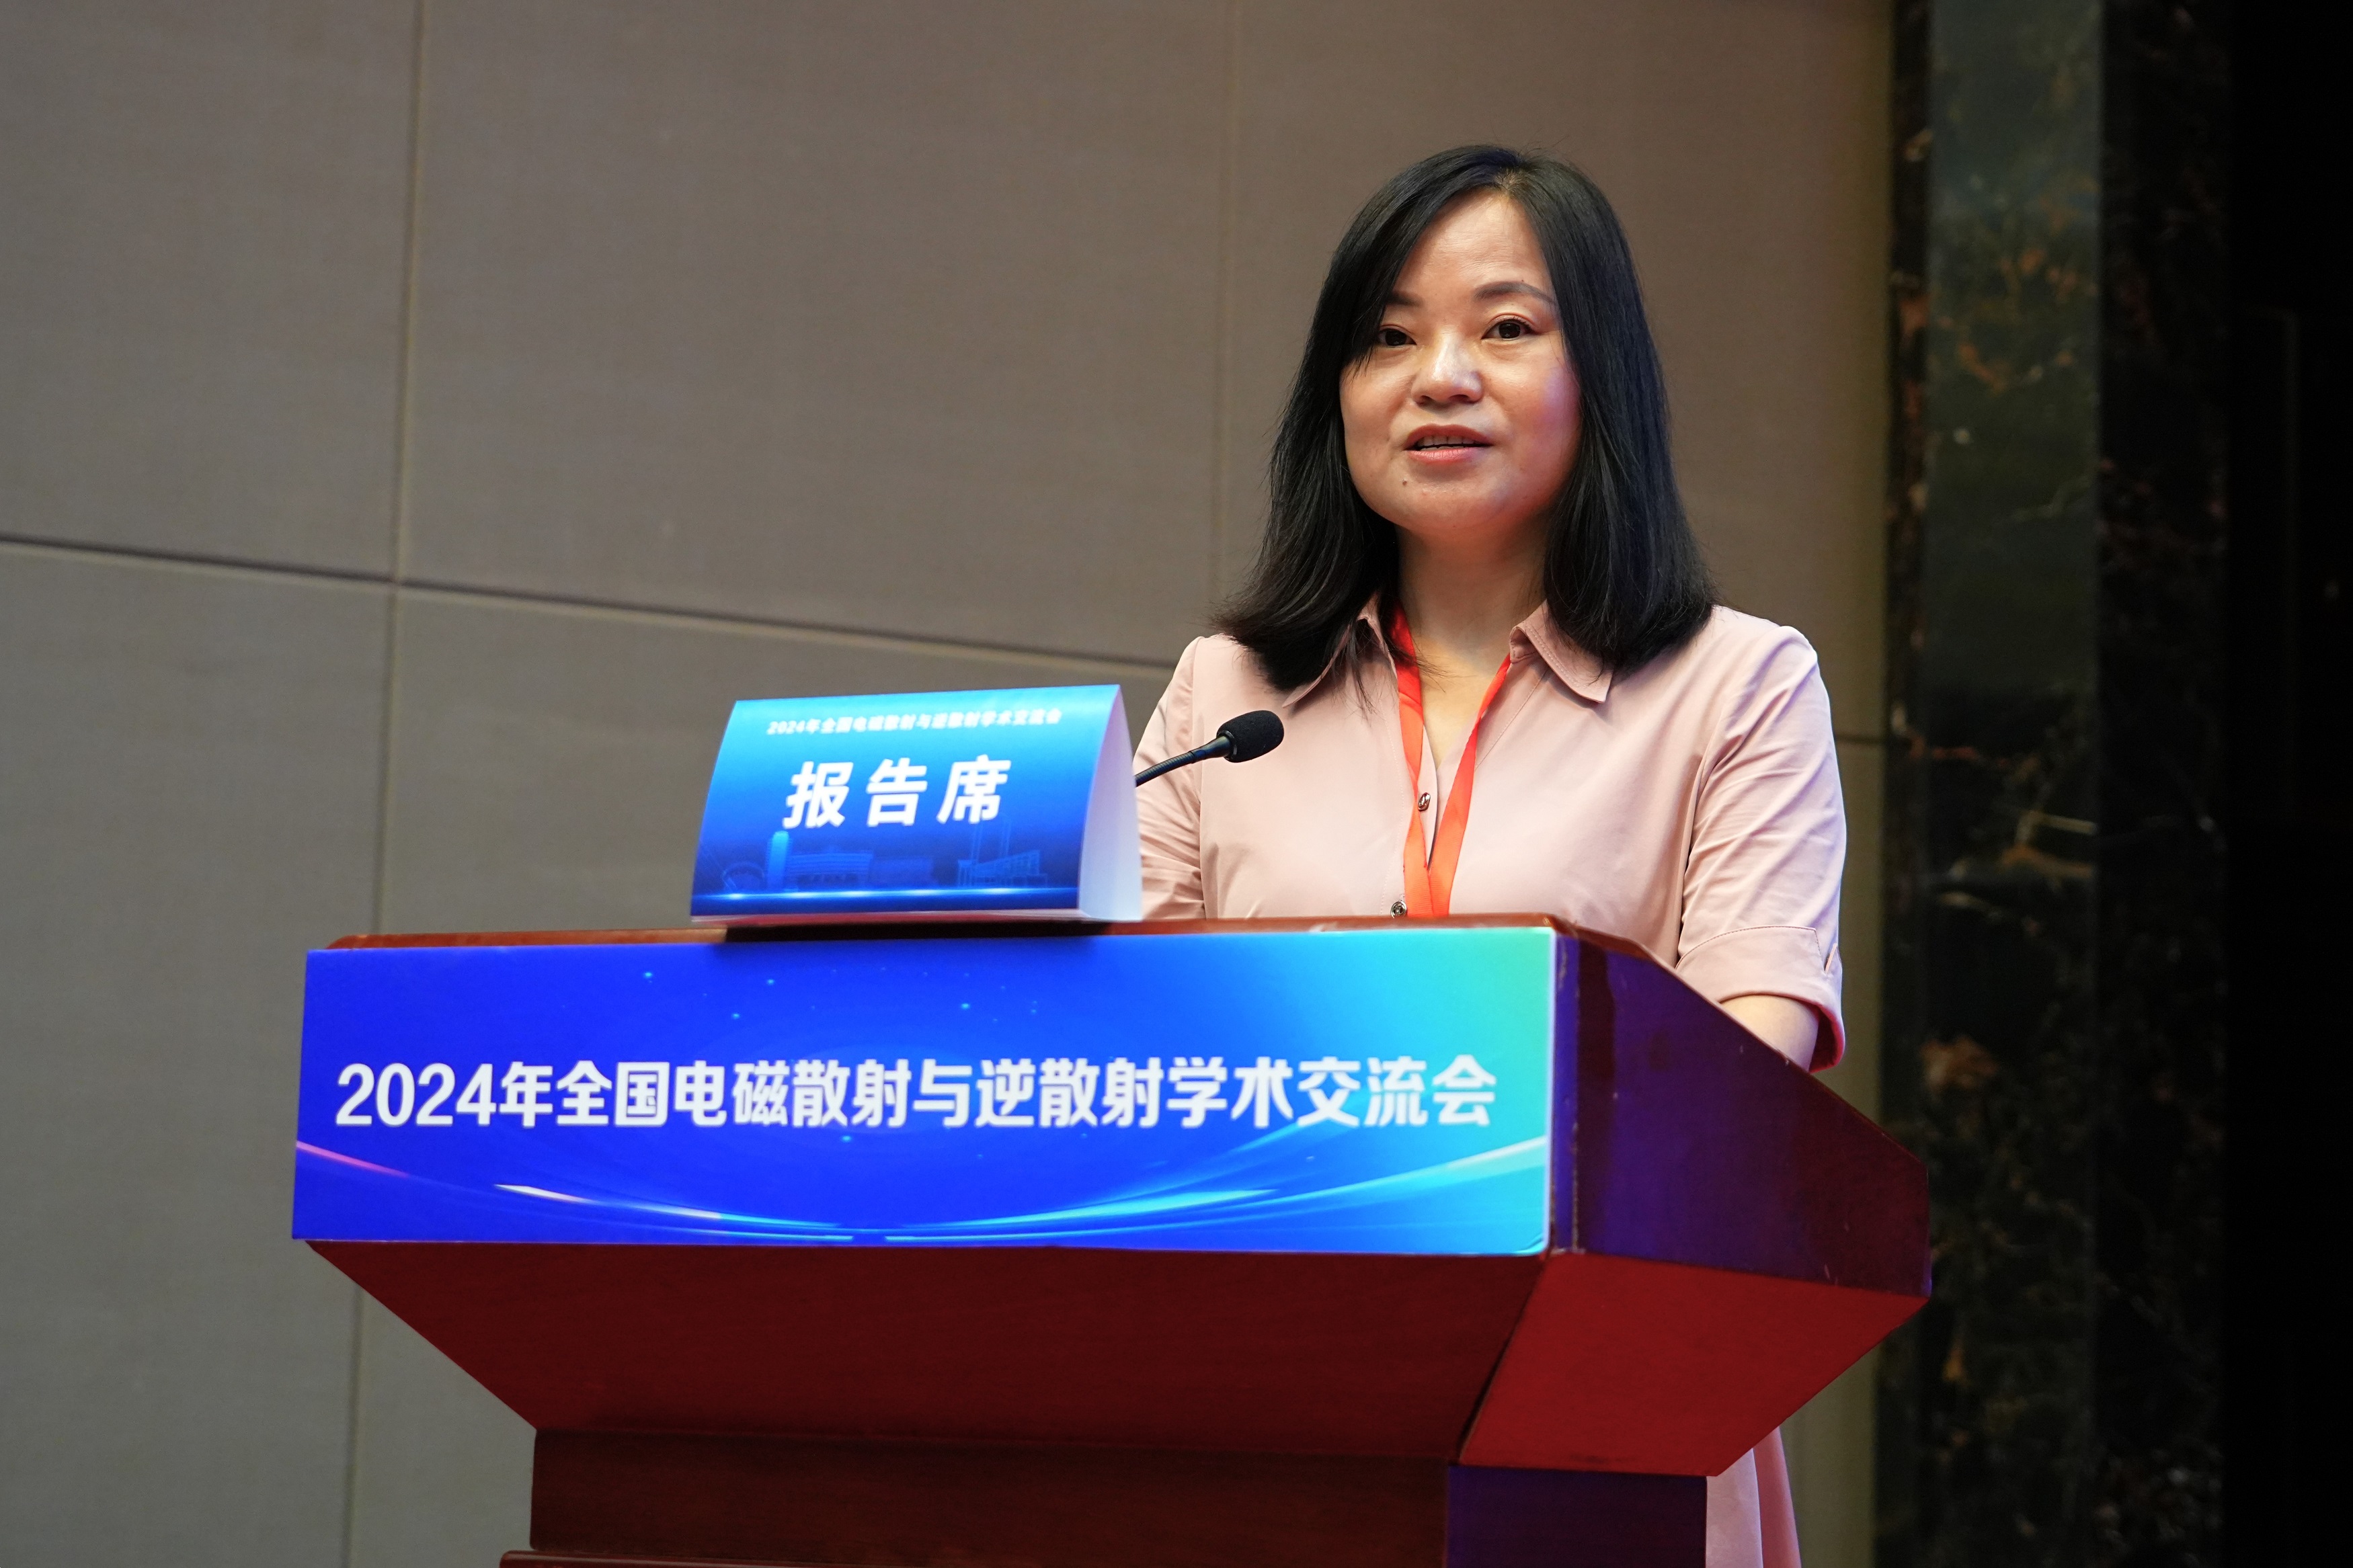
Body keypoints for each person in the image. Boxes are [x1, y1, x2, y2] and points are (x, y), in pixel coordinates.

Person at [1132, 145, 1843, 1568]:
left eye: (1505, 327)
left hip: (1603, 1398)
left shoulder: (1738, 687)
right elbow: (1123, 1040)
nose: (1439, 377)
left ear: (1602, 378)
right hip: (1271, 1395)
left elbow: (1744, 1071)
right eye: (1388, 338)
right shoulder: (1228, 693)